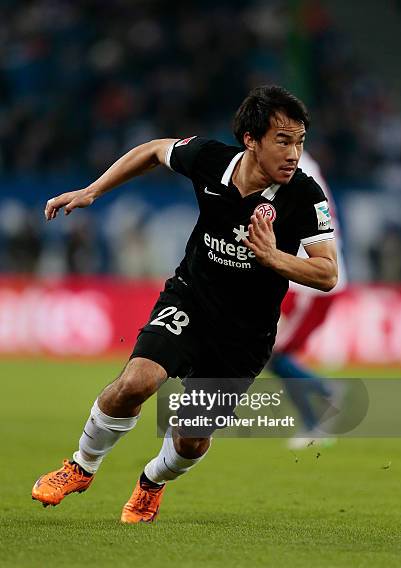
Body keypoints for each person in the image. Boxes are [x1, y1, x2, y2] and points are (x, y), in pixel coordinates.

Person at [32, 85, 337, 523]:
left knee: (190, 439)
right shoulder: (210, 159)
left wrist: (273, 257)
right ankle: (81, 466)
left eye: (300, 142)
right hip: (191, 299)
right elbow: (156, 150)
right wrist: (93, 191)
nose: (294, 154)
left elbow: (327, 273)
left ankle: (151, 483)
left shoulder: (304, 195)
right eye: (283, 140)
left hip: (245, 335)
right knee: (136, 382)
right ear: (251, 140)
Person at [267, 150, 347, 449]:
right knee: (275, 354)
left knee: (274, 353)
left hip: (310, 282)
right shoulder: (299, 164)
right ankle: (319, 408)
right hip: (301, 278)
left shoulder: (297, 169)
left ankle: (324, 395)